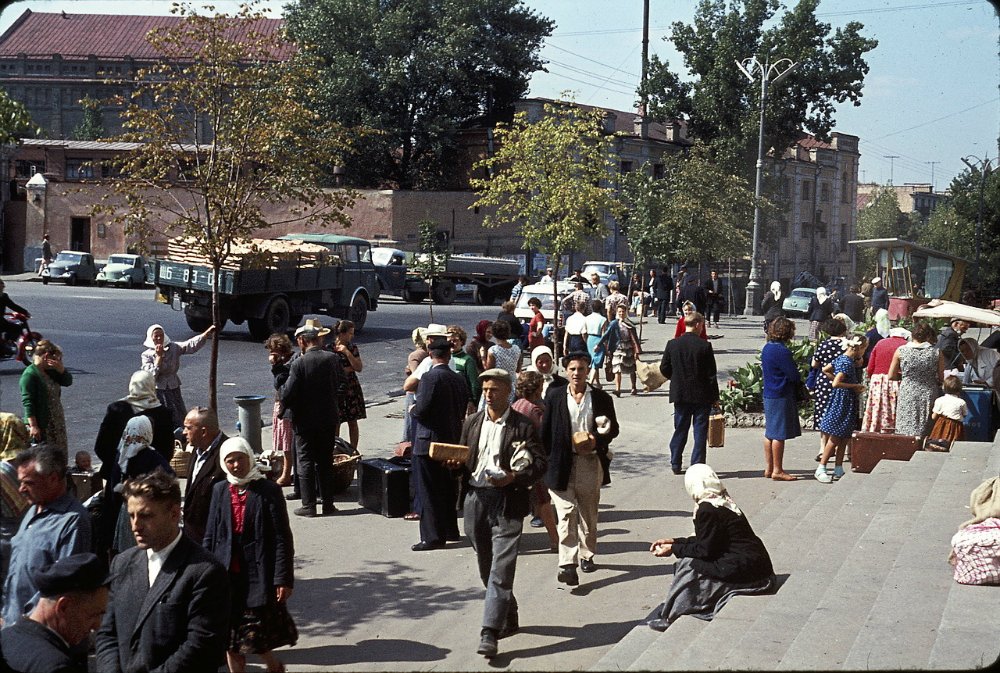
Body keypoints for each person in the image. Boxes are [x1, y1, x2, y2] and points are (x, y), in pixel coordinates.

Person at [95, 471, 230, 673]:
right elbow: (107, 633)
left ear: (174, 514)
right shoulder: (121, 563)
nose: (135, 526)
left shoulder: (204, 571)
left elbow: (200, 647)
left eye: (145, 516)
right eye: (131, 516)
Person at [452, 368, 546, 658]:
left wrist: (514, 477)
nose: (488, 395)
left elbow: (539, 463)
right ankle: (508, 610)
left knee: (501, 568)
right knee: (485, 563)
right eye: (484, 390)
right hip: (476, 499)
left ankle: (489, 631)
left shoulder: (523, 426)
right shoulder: (472, 422)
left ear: (509, 391)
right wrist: (453, 463)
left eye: (494, 390)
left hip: (508, 501)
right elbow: (464, 457)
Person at [204, 438, 296, 673]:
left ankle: (274, 667)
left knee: (255, 635)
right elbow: (211, 534)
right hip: (226, 576)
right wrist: (205, 571)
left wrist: (283, 578)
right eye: (230, 461)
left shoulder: (268, 491)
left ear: (249, 458)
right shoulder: (219, 490)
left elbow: (282, 538)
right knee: (230, 639)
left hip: (257, 574)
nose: (236, 465)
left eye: (240, 459)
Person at [646, 464, 774, 631]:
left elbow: (705, 550)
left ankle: (672, 613)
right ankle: (672, 605)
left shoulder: (707, 509)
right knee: (688, 560)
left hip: (748, 569)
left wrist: (673, 549)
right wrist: (674, 542)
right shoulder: (720, 500)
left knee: (689, 564)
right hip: (754, 564)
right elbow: (708, 539)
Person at [542, 351, 619, 586]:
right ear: (566, 371)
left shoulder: (601, 398)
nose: (577, 373)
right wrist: (544, 461)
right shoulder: (554, 396)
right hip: (561, 462)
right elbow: (545, 432)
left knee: (587, 512)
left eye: (581, 369)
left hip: (589, 462)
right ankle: (567, 564)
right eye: (572, 369)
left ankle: (587, 553)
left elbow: (613, 429)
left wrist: (596, 440)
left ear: (588, 371)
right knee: (566, 512)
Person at [2, 445, 91, 629]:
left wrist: (26, 623)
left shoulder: (72, 521)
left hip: (38, 632)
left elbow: (62, 586)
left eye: (29, 483)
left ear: (53, 479)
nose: (21, 489)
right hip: (12, 625)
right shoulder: (34, 509)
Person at [409, 331, 469, 551]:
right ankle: (450, 529)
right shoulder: (457, 378)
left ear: (431, 355)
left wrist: (413, 409)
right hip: (450, 439)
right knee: (446, 487)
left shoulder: (429, 378)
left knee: (428, 490)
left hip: (428, 442)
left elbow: (422, 409)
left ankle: (432, 536)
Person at [0, 552, 108, 673]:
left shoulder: (6, 637)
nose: (97, 625)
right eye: (93, 615)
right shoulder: (56, 666)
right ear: (63, 607)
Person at [280, 320, 343, 517]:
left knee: (305, 460)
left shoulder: (299, 363)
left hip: (305, 419)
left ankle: (308, 505)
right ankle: (328, 504)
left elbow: (288, 392)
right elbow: (342, 384)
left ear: (302, 341)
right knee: (325, 461)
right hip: (328, 417)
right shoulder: (332, 358)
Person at [659, 312, 720, 475]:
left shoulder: (672, 344)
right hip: (702, 395)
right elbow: (711, 375)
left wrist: (677, 377)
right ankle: (697, 465)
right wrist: (716, 398)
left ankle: (675, 462)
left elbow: (664, 368)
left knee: (680, 428)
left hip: (681, 394)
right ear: (699, 324)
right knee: (700, 431)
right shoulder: (705, 346)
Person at [93, 371, 174, 481]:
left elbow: (102, 446)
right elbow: (167, 450)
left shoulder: (117, 409)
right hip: (151, 480)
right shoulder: (163, 413)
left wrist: (119, 466)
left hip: (118, 478)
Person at [110, 416, 174, 554]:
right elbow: (170, 480)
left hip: (126, 514)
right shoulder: (152, 457)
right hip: (148, 514)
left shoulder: (121, 456)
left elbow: (113, 489)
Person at [512, 370, 558, 550]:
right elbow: (545, 434)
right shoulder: (535, 409)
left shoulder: (516, 405)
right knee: (543, 500)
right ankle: (554, 539)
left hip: (516, 458)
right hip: (532, 461)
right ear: (538, 388)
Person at [141, 323, 215, 430]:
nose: (159, 338)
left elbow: (190, 345)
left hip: (173, 386)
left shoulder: (173, 347)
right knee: (162, 415)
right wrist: (158, 358)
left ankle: (181, 434)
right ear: (150, 338)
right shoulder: (147, 355)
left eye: (161, 335)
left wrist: (205, 334)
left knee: (178, 411)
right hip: (158, 389)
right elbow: (151, 376)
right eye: (156, 336)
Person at [816, 335, 867, 483]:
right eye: (864, 349)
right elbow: (836, 383)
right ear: (858, 348)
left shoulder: (842, 358)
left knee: (844, 435)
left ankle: (838, 468)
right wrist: (854, 386)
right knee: (836, 436)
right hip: (843, 401)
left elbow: (826, 369)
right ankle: (822, 467)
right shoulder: (846, 363)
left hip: (842, 399)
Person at [760, 317, 801, 481]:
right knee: (778, 434)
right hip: (781, 393)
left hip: (769, 392)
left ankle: (769, 468)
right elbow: (793, 375)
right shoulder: (782, 351)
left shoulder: (767, 347)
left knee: (769, 432)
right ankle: (778, 470)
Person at [180, 406, 228, 543]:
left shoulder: (227, 455)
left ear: (203, 432)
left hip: (213, 538)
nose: (184, 432)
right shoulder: (197, 449)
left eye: (188, 428)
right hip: (192, 535)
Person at [889, 321, 944, 437]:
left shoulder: (901, 351)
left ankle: (905, 446)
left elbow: (891, 375)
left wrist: (906, 377)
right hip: (928, 391)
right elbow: (941, 377)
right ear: (928, 336)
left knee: (906, 424)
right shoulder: (936, 353)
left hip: (907, 391)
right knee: (925, 424)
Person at [19, 340, 71, 451]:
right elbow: (28, 402)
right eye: (56, 359)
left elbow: (67, 382)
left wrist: (61, 370)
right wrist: (33, 426)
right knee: (45, 455)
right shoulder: (30, 375)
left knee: (59, 453)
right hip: (43, 423)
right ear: (47, 356)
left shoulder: (51, 371)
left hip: (56, 420)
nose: (58, 362)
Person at [809, 318, 848, 459]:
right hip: (842, 382)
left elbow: (814, 364)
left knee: (824, 413)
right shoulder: (846, 345)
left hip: (824, 382)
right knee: (838, 413)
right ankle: (836, 446)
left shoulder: (824, 345)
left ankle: (822, 448)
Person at [862, 326, 910, 433]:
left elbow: (871, 366)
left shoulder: (880, 343)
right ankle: (893, 428)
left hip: (878, 379)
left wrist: (871, 377)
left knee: (877, 407)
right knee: (894, 407)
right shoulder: (905, 345)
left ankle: (875, 428)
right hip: (896, 378)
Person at [331, 320, 366, 450]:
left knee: (353, 421)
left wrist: (346, 352)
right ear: (342, 333)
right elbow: (333, 369)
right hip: (336, 388)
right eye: (350, 333)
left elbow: (358, 367)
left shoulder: (352, 348)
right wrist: (347, 369)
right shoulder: (330, 349)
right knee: (336, 422)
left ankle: (353, 449)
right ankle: (336, 448)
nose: (352, 336)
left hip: (351, 387)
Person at [265, 334, 295, 487]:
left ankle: (287, 473)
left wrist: (276, 366)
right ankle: (285, 469)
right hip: (281, 404)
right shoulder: (286, 361)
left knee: (287, 441)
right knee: (284, 441)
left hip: (287, 406)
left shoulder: (289, 363)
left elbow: (280, 384)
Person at [597, 304, 642, 397]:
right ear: (617, 313)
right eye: (619, 312)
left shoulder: (630, 324)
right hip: (618, 348)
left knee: (631, 368)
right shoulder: (614, 323)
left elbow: (635, 339)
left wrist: (636, 351)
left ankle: (633, 387)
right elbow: (606, 334)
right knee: (617, 368)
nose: (621, 313)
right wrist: (599, 344)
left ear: (626, 312)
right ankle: (618, 389)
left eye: (623, 311)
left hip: (628, 347)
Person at [484, 320, 521, 404]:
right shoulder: (516, 349)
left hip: (497, 385)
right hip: (512, 384)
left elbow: (488, 371)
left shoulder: (493, 350)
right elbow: (518, 369)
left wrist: (483, 357)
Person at [449, 325, 482, 414]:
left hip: (462, 402)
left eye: (455, 341)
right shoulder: (444, 358)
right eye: (449, 341)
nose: (452, 343)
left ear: (461, 342)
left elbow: (474, 384)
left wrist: (473, 402)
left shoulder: (467, 360)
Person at [927, 375, 968, 447]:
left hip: (941, 425)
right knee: (955, 444)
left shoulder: (940, 400)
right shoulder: (961, 402)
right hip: (956, 425)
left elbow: (934, 417)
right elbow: (964, 414)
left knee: (937, 442)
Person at [584, 299, 608, 388]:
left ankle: (597, 383)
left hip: (590, 338)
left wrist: (586, 340)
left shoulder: (587, 318)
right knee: (595, 362)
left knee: (594, 360)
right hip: (598, 339)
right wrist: (605, 345)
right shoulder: (603, 319)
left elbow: (584, 331)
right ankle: (590, 382)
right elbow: (604, 334)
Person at [0, 279, 30, 350]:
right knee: (17, 328)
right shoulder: (3, 296)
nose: (3, 286)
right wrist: (25, 312)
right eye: (2, 285)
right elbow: (13, 306)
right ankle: (8, 343)